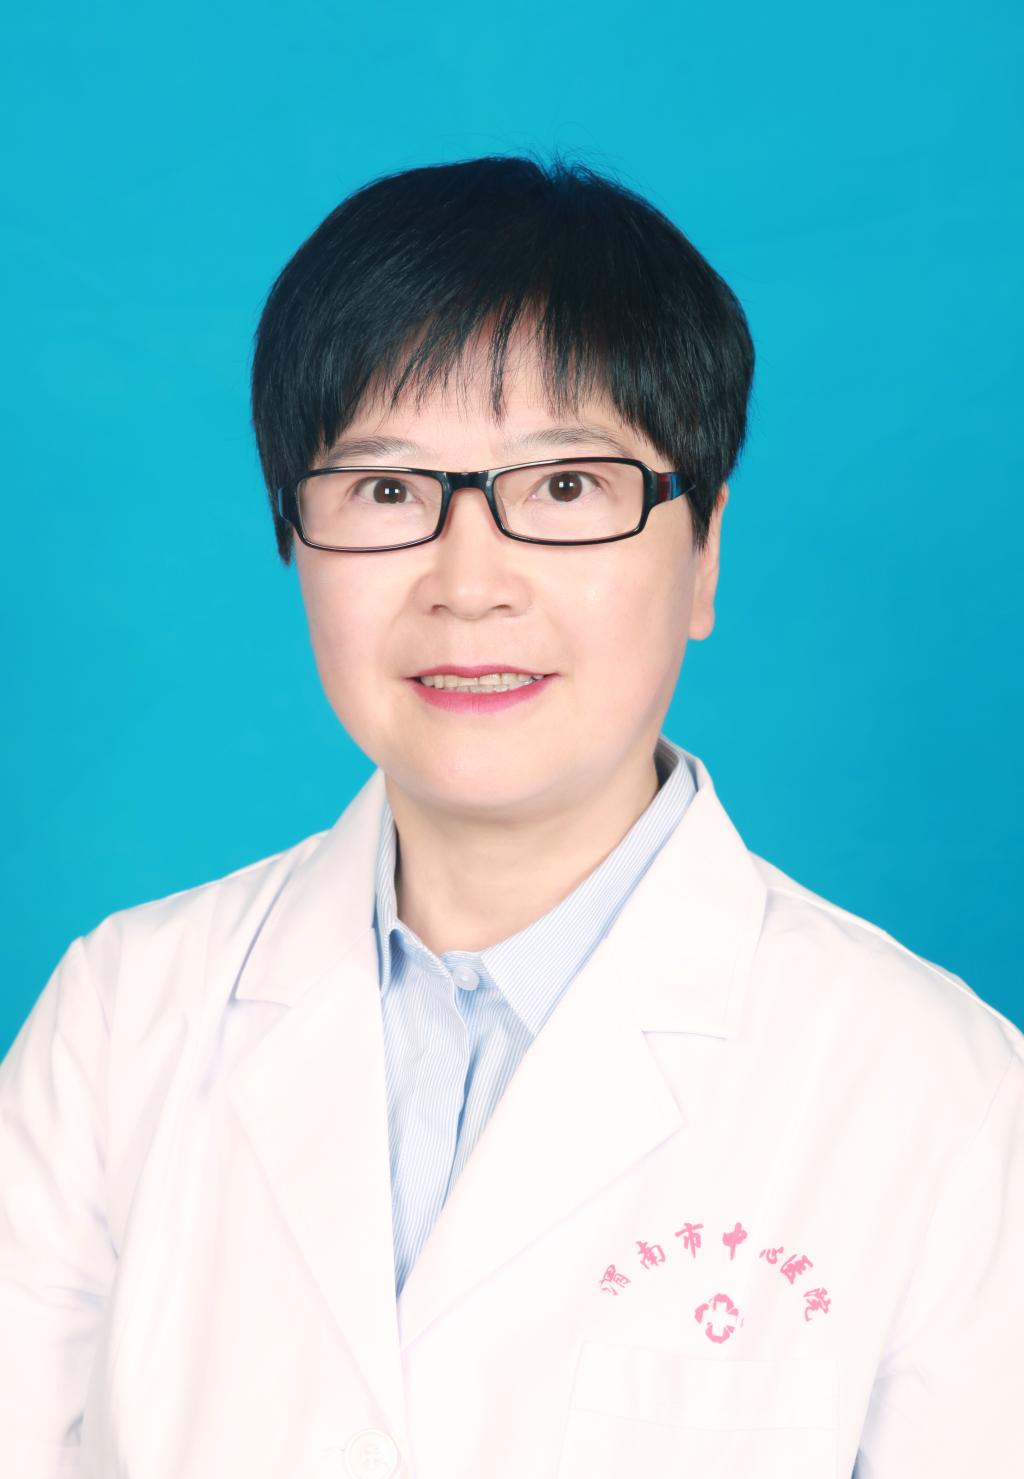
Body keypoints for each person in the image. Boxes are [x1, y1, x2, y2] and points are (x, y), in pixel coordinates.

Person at [1, 154, 1021, 1479]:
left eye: (564, 488)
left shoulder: (943, 1095)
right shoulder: (120, 1018)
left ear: (703, 552)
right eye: (386, 492)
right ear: (292, 542)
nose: (469, 583)